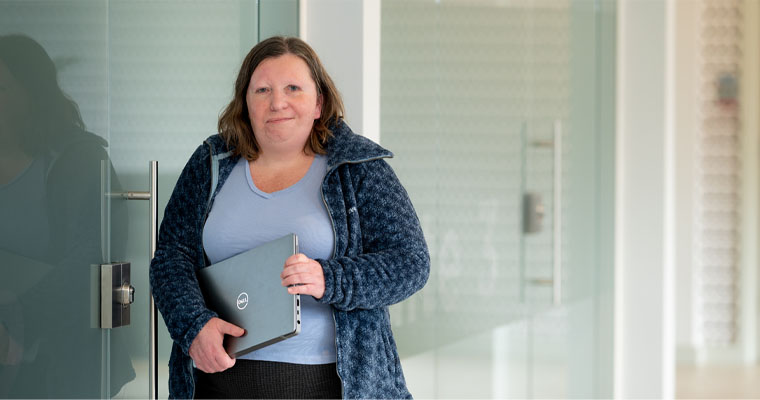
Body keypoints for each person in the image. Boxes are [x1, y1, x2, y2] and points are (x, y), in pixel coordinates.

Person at [149, 36, 430, 399]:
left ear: (319, 102)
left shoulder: (359, 168)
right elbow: (172, 255)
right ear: (245, 103)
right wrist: (193, 326)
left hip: (331, 386)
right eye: (262, 90)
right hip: (215, 384)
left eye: (293, 88)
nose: (277, 102)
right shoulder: (211, 163)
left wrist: (330, 278)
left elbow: (411, 263)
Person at [0, 34, 133, 397]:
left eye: (2, 88)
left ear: (31, 92)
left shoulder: (80, 159)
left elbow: (97, 260)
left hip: (58, 348)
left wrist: (16, 320)